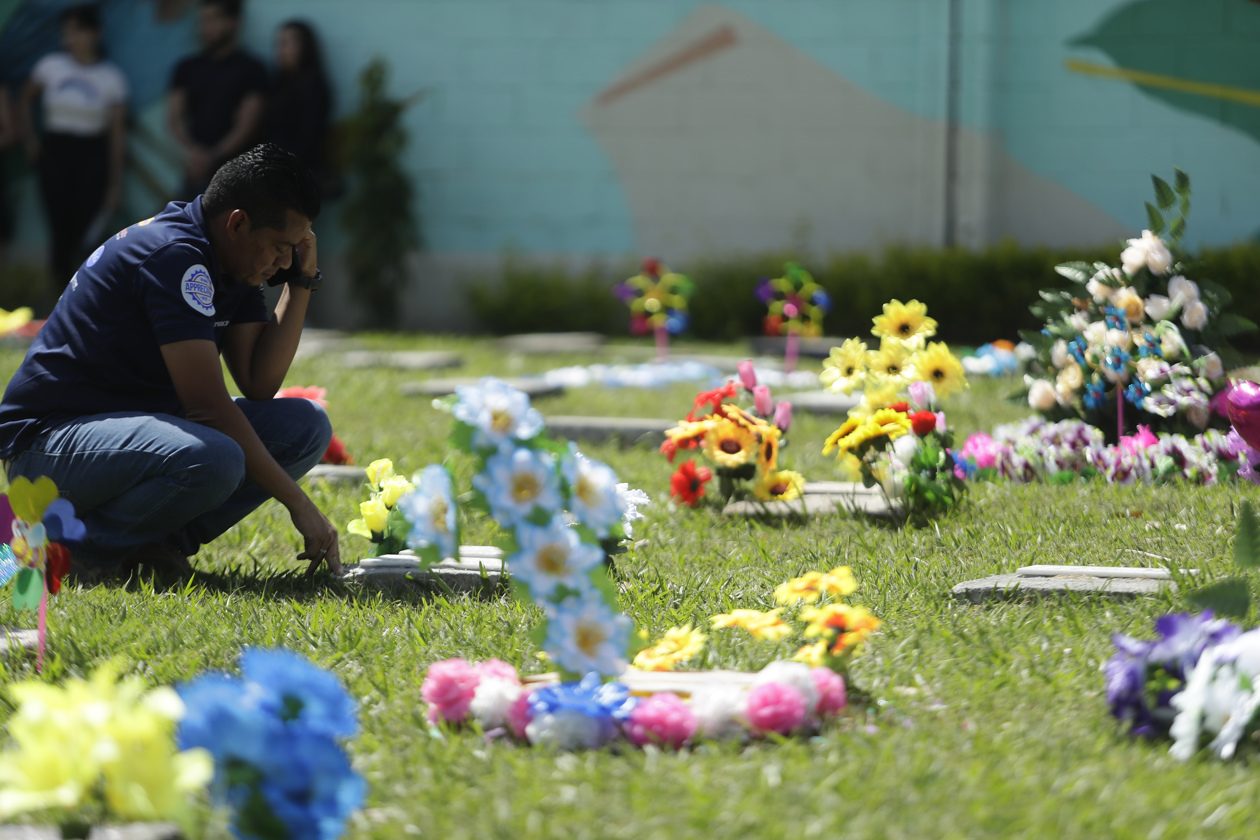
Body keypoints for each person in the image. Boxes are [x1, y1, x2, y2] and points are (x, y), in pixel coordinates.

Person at [0, 143, 341, 580]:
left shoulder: (231, 259)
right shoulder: (175, 256)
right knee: (216, 457)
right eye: (280, 247)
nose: (284, 261)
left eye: (294, 248)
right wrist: (300, 504)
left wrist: (300, 281)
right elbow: (208, 409)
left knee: (305, 426)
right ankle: (74, 549)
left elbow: (258, 383)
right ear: (237, 223)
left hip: (124, 440)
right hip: (49, 447)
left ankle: (150, 546)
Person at [19, 4, 128, 297]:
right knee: (59, 226)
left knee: (85, 229)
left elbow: (116, 135)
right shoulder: (50, 66)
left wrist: (115, 184)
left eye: (78, 31)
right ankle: (55, 297)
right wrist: (30, 140)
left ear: (95, 33)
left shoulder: (111, 77)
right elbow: (25, 99)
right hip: (55, 151)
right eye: (67, 32)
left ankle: (83, 296)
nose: (71, 38)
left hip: (91, 155)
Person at [167, 0, 267, 199]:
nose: (206, 27)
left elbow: (247, 124)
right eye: (203, 20)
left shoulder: (252, 69)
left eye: (213, 19)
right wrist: (194, 154)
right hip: (194, 171)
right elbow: (174, 119)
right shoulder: (187, 67)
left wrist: (213, 157)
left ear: (233, 22)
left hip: (236, 176)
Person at [264, 20, 331, 181]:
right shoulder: (276, 84)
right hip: (272, 167)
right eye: (279, 44)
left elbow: (308, 138)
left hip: (297, 172)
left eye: (288, 43)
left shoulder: (314, 86)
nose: (281, 50)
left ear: (305, 47)